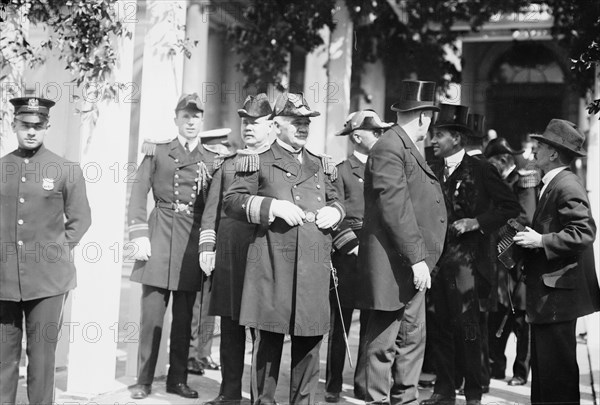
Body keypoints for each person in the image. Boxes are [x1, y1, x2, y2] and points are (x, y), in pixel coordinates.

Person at [223, 92, 345, 404]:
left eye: (306, 122)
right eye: (295, 121)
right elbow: (232, 202)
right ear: (277, 125)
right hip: (272, 267)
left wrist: (337, 211)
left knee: (308, 349)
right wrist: (271, 206)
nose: (303, 127)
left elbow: (336, 200)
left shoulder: (321, 165)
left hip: (313, 270)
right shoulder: (258, 161)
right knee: (268, 349)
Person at [356, 80, 448, 405]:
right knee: (383, 345)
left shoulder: (402, 145)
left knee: (411, 341)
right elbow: (395, 208)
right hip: (394, 266)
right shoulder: (389, 147)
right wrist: (417, 258)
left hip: (409, 266)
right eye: (431, 116)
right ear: (423, 116)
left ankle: (406, 400)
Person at [424, 104, 520, 405]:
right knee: (437, 322)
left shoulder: (481, 169)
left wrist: (478, 222)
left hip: (468, 261)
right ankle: (444, 390)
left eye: (439, 135)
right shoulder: (430, 167)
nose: (433, 141)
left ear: (456, 138)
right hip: (436, 261)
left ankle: (474, 392)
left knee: (467, 326)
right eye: (432, 135)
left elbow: (509, 207)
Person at [0, 97, 92, 404]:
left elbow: (81, 218)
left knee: (41, 361)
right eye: (25, 125)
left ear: (47, 127)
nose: (31, 132)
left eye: (37, 126)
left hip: (48, 283)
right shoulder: (2, 168)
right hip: (4, 281)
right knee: (3, 361)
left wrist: (55, 253)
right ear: (14, 125)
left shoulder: (65, 169)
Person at [127, 93, 218, 399]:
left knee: (184, 320)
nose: (191, 121)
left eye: (196, 116)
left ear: (201, 120)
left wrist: (209, 245)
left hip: (191, 244)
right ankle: (143, 379)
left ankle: (177, 379)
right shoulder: (158, 152)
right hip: (159, 236)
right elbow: (138, 192)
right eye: (185, 116)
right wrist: (138, 234)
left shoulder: (211, 159)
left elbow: (211, 207)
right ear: (176, 118)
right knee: (151, 315)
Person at [514, 119, 600, 404]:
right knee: (546, 373)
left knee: (557, 374)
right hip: (550, 294)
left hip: (558, 296)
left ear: (553, 154)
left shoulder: (566, 185)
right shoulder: (554, 183)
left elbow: (585, 231)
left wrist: (541, 241)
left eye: (539, 146)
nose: (534, 151)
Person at [198, 93, 273, 405]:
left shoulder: (278, 162)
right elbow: (211, 211)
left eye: (256, 122)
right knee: (229, 328)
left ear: (272, 126)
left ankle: (261, 397)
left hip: (266, 256)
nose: (249, 127)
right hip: (230, 257)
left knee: (263, 331)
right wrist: (207, 248)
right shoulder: (227, 164)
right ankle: (229, 393)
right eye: (245, 121)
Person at [324, 110, 391, 403]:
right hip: (349, 255)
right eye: (375, 132)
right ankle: (333, 385)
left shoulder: (386, 168)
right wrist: (350, 245)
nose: (379, 137)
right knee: (340, 322)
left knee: (371, 321)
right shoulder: (339, 170)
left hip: (378, 253)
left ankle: (365, 385)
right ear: (357, 137)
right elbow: (332, 211)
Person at [484, 137, 538, 386]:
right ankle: (496, 367)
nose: (490, 166)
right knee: (497, 312)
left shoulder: (524, 181)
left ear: (503, 160)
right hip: (500, 258)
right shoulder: (500, 181)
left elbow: (525, 218)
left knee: (520, 317)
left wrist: (497, 229)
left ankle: (520, 371)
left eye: (493, 161)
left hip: (518, 257)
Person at [187, 128, 232, 376]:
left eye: (225, 148)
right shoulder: (203, 168)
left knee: (208, 305)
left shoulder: (221, 169)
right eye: (217, 149)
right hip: (196, 239)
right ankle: (192, 354)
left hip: (215, 241)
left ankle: (203, 353)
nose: (222, 153)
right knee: (197, 304)